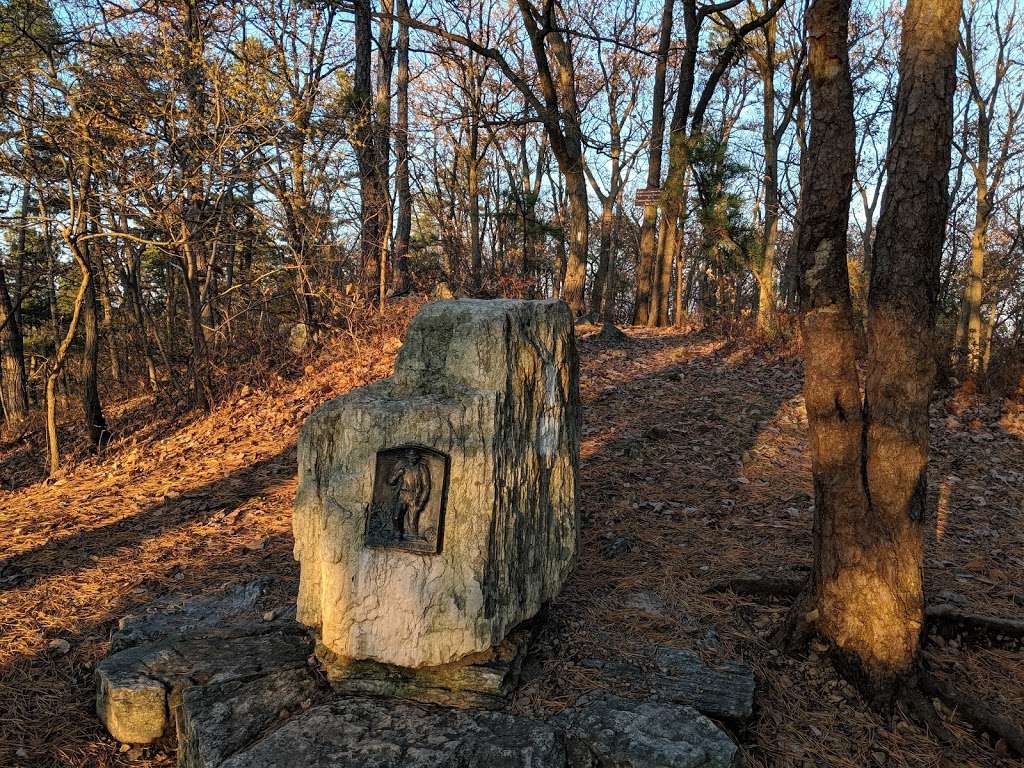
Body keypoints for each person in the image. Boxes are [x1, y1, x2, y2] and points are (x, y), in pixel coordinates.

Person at [387, 449, 432, 538]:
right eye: (410, 457)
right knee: (396, 517)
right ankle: (397, 534)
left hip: (415, 497)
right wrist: (398, 474)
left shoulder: (422, 468)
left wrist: (421, 503)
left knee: (412, 523)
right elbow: (391, 482)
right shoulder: (403, 467)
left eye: (414, 457)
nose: (412, 459)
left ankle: (413, 540)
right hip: (403, 495)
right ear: (407, 458)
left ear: (417, 458)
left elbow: (426, 487)